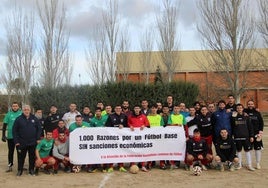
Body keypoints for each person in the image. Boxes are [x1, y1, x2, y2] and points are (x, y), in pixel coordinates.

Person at [13, 105, 42, 176]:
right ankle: (20, 170)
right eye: (25, 110)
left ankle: (31, 170)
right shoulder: (18, 119)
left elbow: (39, 129)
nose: (26, 111)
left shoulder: (34, 118)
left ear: (30, 110)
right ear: (23, 111)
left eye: (28, 110)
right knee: (21, 157)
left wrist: (38, 138)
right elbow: (14, 131)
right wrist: (16, 141)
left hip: (32, 142)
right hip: (22, 142)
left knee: (32, 157)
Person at [231, 103, 255, 171]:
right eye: (238, 108)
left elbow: (250, 127)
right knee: (239, 151)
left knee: (247, 151)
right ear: (236, 109)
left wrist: (251, 136)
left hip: (246, 137)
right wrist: (233, 117)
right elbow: (232, 126)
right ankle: (239, 165)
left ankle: (249, 165)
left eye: (240, 108)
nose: (239, 109)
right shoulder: (234, 116)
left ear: (242, 108)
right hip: (237, 137)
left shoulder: (246, 116)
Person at [105, 105, 128, 172]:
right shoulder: (111, 116)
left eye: (119, 108)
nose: (118, 109)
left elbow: (127, 126)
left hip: (121, 137)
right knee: (112, 151)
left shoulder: (124, 116)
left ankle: (121, 166)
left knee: (121, 151)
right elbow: (107, 126)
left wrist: (123, 126)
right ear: (114, 109)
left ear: (121, 109)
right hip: (113, 138)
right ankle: (111, 166)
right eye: (117, 108)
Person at [128, 104, 150, 172]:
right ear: (134, 109)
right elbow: (128, 123)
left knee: (141, 150)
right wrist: (130, 126)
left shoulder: (143, 116)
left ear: (140, 109)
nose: (137, 109)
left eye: (138, 108)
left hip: (141, 137)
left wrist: (144, 125)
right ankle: (132, 164)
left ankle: (143, 165)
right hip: (133, 137)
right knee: (133, 150)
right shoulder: (130, 116)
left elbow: (148, 124)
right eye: (135, 108)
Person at [244, 100, 264, 169]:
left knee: (257, 149)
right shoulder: (244, 112)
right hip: (248, 134)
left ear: (253, 104)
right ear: (247, 105)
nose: (250, 105)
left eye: (251, 104)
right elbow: (237, 109)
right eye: (249, 104)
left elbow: (261, 123)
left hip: (256, 134)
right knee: (248, 149)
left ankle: (258, 163)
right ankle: (249, 164)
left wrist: (260, 132)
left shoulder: (257, 113)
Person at [2, 102, 22, 172]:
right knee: (11, 152)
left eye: (16, 106)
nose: (15, 107)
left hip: (19, 137)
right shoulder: (8, 114)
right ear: (12, 107)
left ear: (18, 107)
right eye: (13, 106)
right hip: (10, 136)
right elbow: (4, 125)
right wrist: (3, 135)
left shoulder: (21, 113)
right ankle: (10, 166)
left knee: (20, 151)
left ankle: (21, 165)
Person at [167, 103, 188, 169]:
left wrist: (187, 136)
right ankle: (172, 163)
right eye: (175, 108)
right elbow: (168, 125)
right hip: (173, 136)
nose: (176, 110)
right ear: (173, 110)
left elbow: (185, 126)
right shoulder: (171, 116)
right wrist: (176, 125)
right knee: (173, 148)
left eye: (177, 108)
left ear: (179, 109)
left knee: (181, 148)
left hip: (180, 136)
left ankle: (182, 163)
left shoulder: (182, 116)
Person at [147, 104, 165, 169]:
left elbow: (162, 126)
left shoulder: (160, 117)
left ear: (157, 109)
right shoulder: (148, 117)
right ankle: (149, 163)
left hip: (158, 137)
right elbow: (146, 127)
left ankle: (162, 163)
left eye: (155, 108)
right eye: (152, 108)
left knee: (161, 149)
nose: (154, 109)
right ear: (151, 109)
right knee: (150, 150)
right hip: (150, 137)